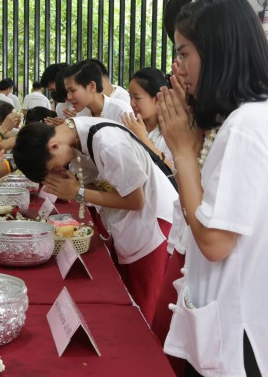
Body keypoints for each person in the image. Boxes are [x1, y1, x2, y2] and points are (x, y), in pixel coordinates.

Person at [152, 0, 268, 354]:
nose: (178, 67)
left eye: (183, 53)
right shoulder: (259, 112)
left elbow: (214, 242)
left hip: (242, 324)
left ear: (216, 51)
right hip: (248, 309)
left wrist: (182, 151)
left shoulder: (247, 124)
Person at [12, 118, 177, 325]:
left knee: (145, 312)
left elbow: (136, 201)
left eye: (55, 166)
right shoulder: (78, 139)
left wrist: (78, 192)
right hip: (131, 224)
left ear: (53, 146)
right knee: (132, 303)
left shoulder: (110, 143)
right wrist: (79, 185)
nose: (60, 170)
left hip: (153, 224)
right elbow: (105, 186)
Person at [121, 67, 174, 170]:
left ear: (157, 99)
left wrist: (143, 139)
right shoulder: (128, 127)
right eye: (130, 97)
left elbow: (172, 171)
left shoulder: (172, 133)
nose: (132, 103)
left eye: (137, 98)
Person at [61, 60, 132, 122]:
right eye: (67, 91)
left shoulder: (120, 110)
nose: (69, 97)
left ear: (91, 86)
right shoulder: (81, 114)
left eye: (73, 90)